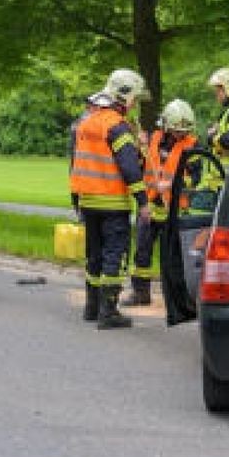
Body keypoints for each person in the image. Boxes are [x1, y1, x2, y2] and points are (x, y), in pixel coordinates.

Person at [69, 69, 151, 329]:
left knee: (93, 255)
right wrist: (143, 201)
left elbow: (76, 163)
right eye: (135, 99)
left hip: (88, 202)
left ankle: (91, 308)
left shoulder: (87, 122)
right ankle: (109, 312)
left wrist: (76, 200)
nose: (135, 104)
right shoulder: (117, 126)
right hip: (113, 202)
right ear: (124, 97)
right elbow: (130, 168)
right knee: (114, 256)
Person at [125, 99, 200, 307]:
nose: (180, 134)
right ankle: (140, 293)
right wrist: (139, 148)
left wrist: (172, 184)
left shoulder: (193, 145)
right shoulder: (153, 139)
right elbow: (140, 166)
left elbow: (196, 179)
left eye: (184, 131)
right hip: (149, 206)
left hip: (174, 210)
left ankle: (175, 299)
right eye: (176, 130)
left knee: (173, 258)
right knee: (141, 252)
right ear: (166, 125)